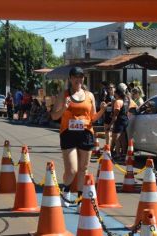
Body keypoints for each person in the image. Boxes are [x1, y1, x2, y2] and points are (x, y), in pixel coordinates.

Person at [51, 67, 107, 208]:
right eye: (76, 77)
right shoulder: (63, 95)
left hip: (86, 133)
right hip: (68, 133)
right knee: (72, 170)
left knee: (84, 168)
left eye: (81, 77)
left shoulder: (89, 96)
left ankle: (81, 199)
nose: (79, 80)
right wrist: (64, 108)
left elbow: (93, 118)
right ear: (70, 79)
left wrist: (102, 110)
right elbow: (54, 116)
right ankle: (66, 190)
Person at [109, 87, 130, 161]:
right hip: (125, 120)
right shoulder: (125, 101)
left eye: (114, 92)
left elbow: (115, 115)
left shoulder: (117, 102)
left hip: (119, 121)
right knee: (123, 138)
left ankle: (118, 155)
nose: (113, 94)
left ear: (117, 94)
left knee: (116, 138)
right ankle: (124, 153)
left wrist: (110, 124)